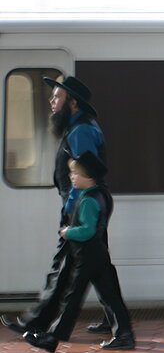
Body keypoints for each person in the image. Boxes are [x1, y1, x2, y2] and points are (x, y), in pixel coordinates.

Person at [2, 76, 109, 337]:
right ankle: (116, 322)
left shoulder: (81, 130)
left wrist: (70, 209)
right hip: (84, 206)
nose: (52, 101)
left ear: (73, 102)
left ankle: (38, 323)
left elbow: (84, 175)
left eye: (57, 96)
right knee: (97, 264)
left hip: (81, 208)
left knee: (64, 266)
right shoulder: (78, 127)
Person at [23, 152, 135, 352]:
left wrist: (68, 231)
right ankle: (124, 334)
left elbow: (88, 230)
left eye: (75, 173)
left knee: (72, 297)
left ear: (89, 176)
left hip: (87, 255)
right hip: (99, 253)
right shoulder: (102, 194)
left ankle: (52, 338)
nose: (71, 176)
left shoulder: (88, 200)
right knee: (110, 296)